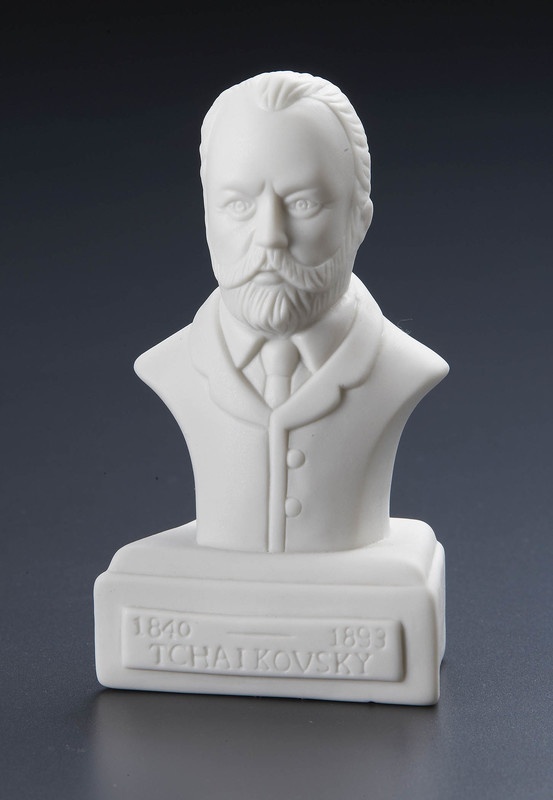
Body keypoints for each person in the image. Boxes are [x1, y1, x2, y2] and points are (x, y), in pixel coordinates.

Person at [135, 71, 448, 554]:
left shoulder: (405, 368)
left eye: (303, 203)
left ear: (359, 218)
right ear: (207, 216)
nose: (270, 237)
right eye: (238, 204)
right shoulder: (170, 364)